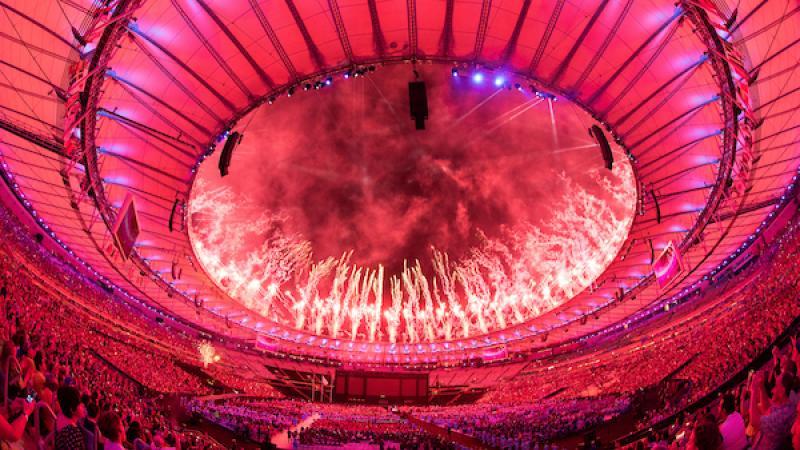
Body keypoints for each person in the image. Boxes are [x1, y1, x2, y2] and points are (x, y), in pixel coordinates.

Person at [55, 385, 87, 450]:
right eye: (79, 403)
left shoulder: (61, 415)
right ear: (72, 409)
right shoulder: (74, 432)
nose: (83, 405)